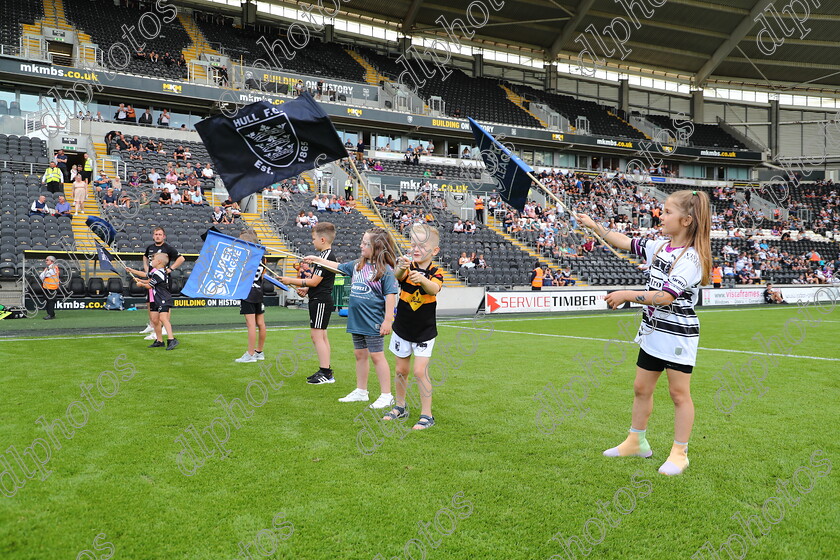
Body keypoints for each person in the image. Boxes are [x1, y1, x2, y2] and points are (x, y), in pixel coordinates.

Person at [578, 189, 713, 476]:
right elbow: (625, 241)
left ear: (687, 220)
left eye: (666, 212)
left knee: (679, 394)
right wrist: (594, 226)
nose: (660, 216)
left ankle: (680, 453)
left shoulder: (691, 259)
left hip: (678, 335)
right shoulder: (661, 247)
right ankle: (636, 441)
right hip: (653, 333)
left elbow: (666, 297)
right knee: (641, 388)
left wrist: (627, 293)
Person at [304, 228, 399, 409]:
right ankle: (361, 391)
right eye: (362, 242)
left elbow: (390, 296)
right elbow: (337, 267)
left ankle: (387, 395)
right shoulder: (357, 265)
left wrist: (388, 320)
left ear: (377, 247)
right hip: (357, 320)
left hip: (374, 321)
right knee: (359, 354)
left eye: (365, 243)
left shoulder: (385, 271)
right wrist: (316, 259)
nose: (361, 245)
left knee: (377, 356)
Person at [383, 224, 444, 430]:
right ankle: (400, 406)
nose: (416, 248)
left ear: (434, 251)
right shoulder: (407, 267)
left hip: (424, 331)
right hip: (403, 327)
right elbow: (398, 276)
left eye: (423, 245)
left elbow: (434, 289)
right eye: (414, 244)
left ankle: (427, 415)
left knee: (419, 371)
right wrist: (401, 266)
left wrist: (424, 280)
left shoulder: (436, 271)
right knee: (401, 370)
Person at [280, 222, 337, 384]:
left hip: (321, 301)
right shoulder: (324, 257)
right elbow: (316, 283)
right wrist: (306, 290)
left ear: (323, 239)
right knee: (321, 336)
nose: (312, 242)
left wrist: (290, 280)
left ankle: (325, 372)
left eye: (314, 239)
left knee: (317, 336)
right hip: (318, 299)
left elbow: (314, 282)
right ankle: (326, 370)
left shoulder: (326, 257)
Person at [139, 227, 185, 340]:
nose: (157, 236)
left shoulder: (168, 248)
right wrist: (146, 270)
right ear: (153, 236)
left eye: (160, 234)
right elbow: (145, 257)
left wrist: (171, 269)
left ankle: (164, 326)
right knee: (151, 303)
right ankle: (153, 327)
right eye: (156, 234)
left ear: (164, 236)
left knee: (164, 303)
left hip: (162, 280)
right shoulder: (150, 248)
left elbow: (181, 258)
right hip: (151, 278)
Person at [126, 253, 179, 350]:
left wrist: (141, 284)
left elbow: (150, 285)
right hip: (157, 299)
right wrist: (132, 271)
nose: (151, 262)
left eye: (153, 260)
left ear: (159, 262)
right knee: (155, 320)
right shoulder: (156, 272)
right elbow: (148, 277)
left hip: (163, 298)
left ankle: (171, 339)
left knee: (163, 319)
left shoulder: (159, 273)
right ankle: (159, 341)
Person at [234, 231, 268, 363]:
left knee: (251, 324)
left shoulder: (245, 256)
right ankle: (259, 351)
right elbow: (263, 276)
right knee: (261, 323)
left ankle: (250, 354)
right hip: (259, 290)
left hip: (247, 292)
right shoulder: (262, 256)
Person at [39, 256, 60, 320]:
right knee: (47, 301)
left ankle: (51, 315)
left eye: (47, 260)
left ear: (52, 261)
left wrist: (44, 274)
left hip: (52, 288)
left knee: (51, 301)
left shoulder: (54, 268)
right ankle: (51, 314)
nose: (46, 261)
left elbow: (45, 275)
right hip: (46, 288)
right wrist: (44, 274)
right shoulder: (48, 268)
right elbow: (41, 276)